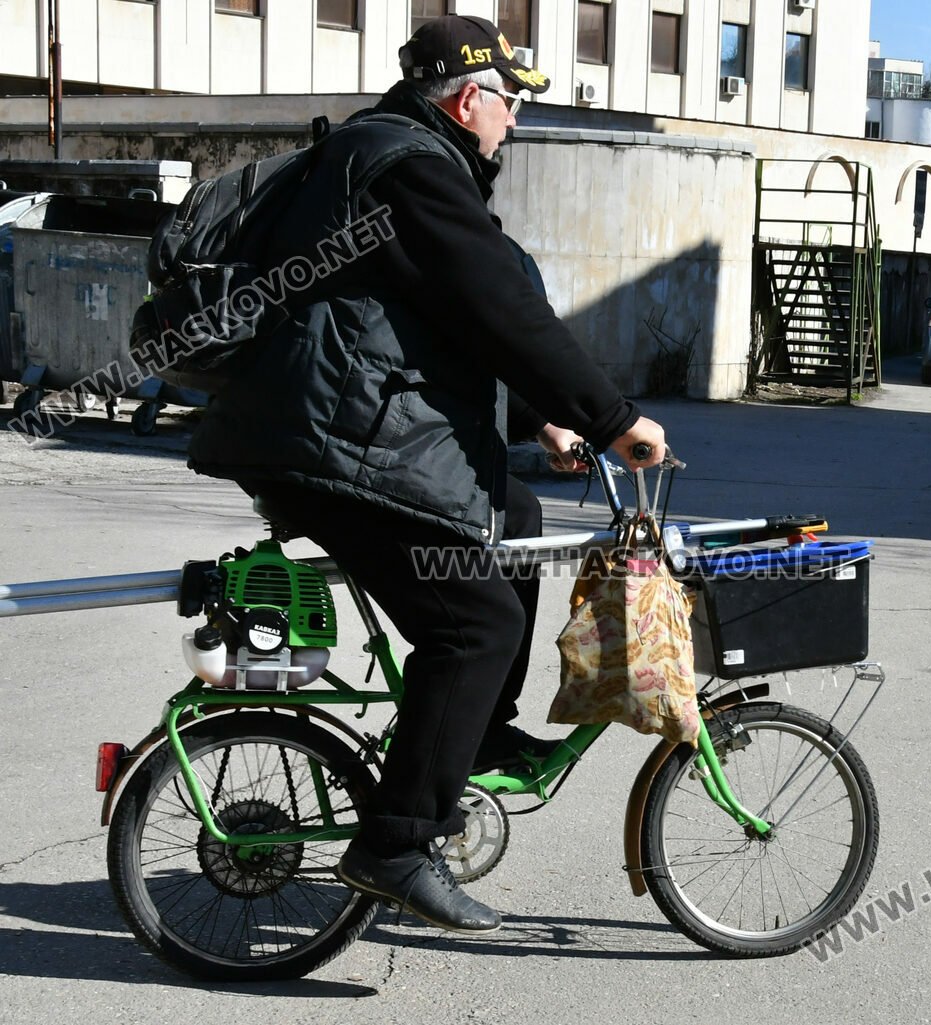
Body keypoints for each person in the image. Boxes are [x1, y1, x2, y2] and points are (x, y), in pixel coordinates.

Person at [184, 14, 666, 933]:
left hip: (336, 436)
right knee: (473, 623)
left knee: (517, 516)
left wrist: (541, 420)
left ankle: (474, 730)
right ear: (468, 97)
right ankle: (396, 843)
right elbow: (502, 307)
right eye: (510, 102)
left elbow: (434, 326)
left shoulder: (394, 160)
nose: (515, 123)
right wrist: (613, 420)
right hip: (332, 450)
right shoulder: (410, 169)